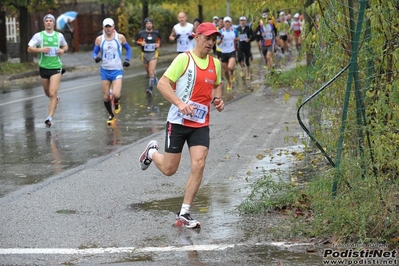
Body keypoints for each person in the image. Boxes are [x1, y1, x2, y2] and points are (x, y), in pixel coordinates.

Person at [139, 22, 225, 229]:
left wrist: (217, 100)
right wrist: (180, 103)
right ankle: (151, 153)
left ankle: (184, 213)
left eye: (214, 39)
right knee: (169, 169)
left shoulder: (216, 64)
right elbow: (162, 84)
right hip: (178, 121)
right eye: (207, 38)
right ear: (197, 37)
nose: (210, 43)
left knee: (199, 163)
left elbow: (216, 86)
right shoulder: (184, 59)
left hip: (200, 123)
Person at [27, 14, 68, 128]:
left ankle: (49, 118)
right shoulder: (39, 36)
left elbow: (66, 46)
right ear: (44, 23)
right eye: (47, 21)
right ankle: (56, 99)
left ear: (53, 23)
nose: (49, 22)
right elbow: (29, 48)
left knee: (52, 93)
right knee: (47, 93)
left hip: (56, 68)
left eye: (51, 21)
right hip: (44, 68)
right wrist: (41, 49)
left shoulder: (59, 36)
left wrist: (62, 51)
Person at [92, 18, 132, 126]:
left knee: (115, 94)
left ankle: (117, 101)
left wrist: (127, 60)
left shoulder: (120, 37)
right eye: (106, 26)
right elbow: (94, 52)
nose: (108, 29)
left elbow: (128, 49)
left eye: (110, 26)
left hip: (117, 69)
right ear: (103, 27)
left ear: (114, 27)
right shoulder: (99, 39)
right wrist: (95, 57)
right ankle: (111, 115)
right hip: (105, 70)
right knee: (105, 97)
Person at [135, 17, 161, 96]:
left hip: (153, 53)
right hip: (144, 54)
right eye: (147, 24)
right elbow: (136, 42)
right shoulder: (141, 33)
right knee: (149, 73)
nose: (149, 25)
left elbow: (160, 40)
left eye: (150, 23)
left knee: (151, 71)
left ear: (152, 24)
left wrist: (158, 44)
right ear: (145, 25)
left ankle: (150, 89)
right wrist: (140, 43)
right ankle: (154, 78)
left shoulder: (156, 33)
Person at [217, 16, 238, 90]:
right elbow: (218, 43)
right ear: (223, 23)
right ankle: (229, 82)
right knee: (225, 71)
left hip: (232, 51)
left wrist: (236, 39)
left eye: (228, 22)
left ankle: (232, 73)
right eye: (226, 22)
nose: (227, 23)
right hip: (224, 52)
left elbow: (238, 38)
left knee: (230, 67)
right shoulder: (220, 31)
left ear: (231, 23)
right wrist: (221, 38)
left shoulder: (234, 30)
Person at [236, 16, 254, 80]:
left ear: (246, 21)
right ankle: (242, 68)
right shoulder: (237, 29)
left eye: (243, 21)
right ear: (239, 22)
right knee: (239, 58)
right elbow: (234, 37)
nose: (242, 22)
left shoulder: (249, 28)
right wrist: (237, 39)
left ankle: (248, 73)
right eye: (241, 21)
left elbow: (253, 36)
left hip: (247, 46)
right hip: (240, 45)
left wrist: (249, 39)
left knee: (247, 60)